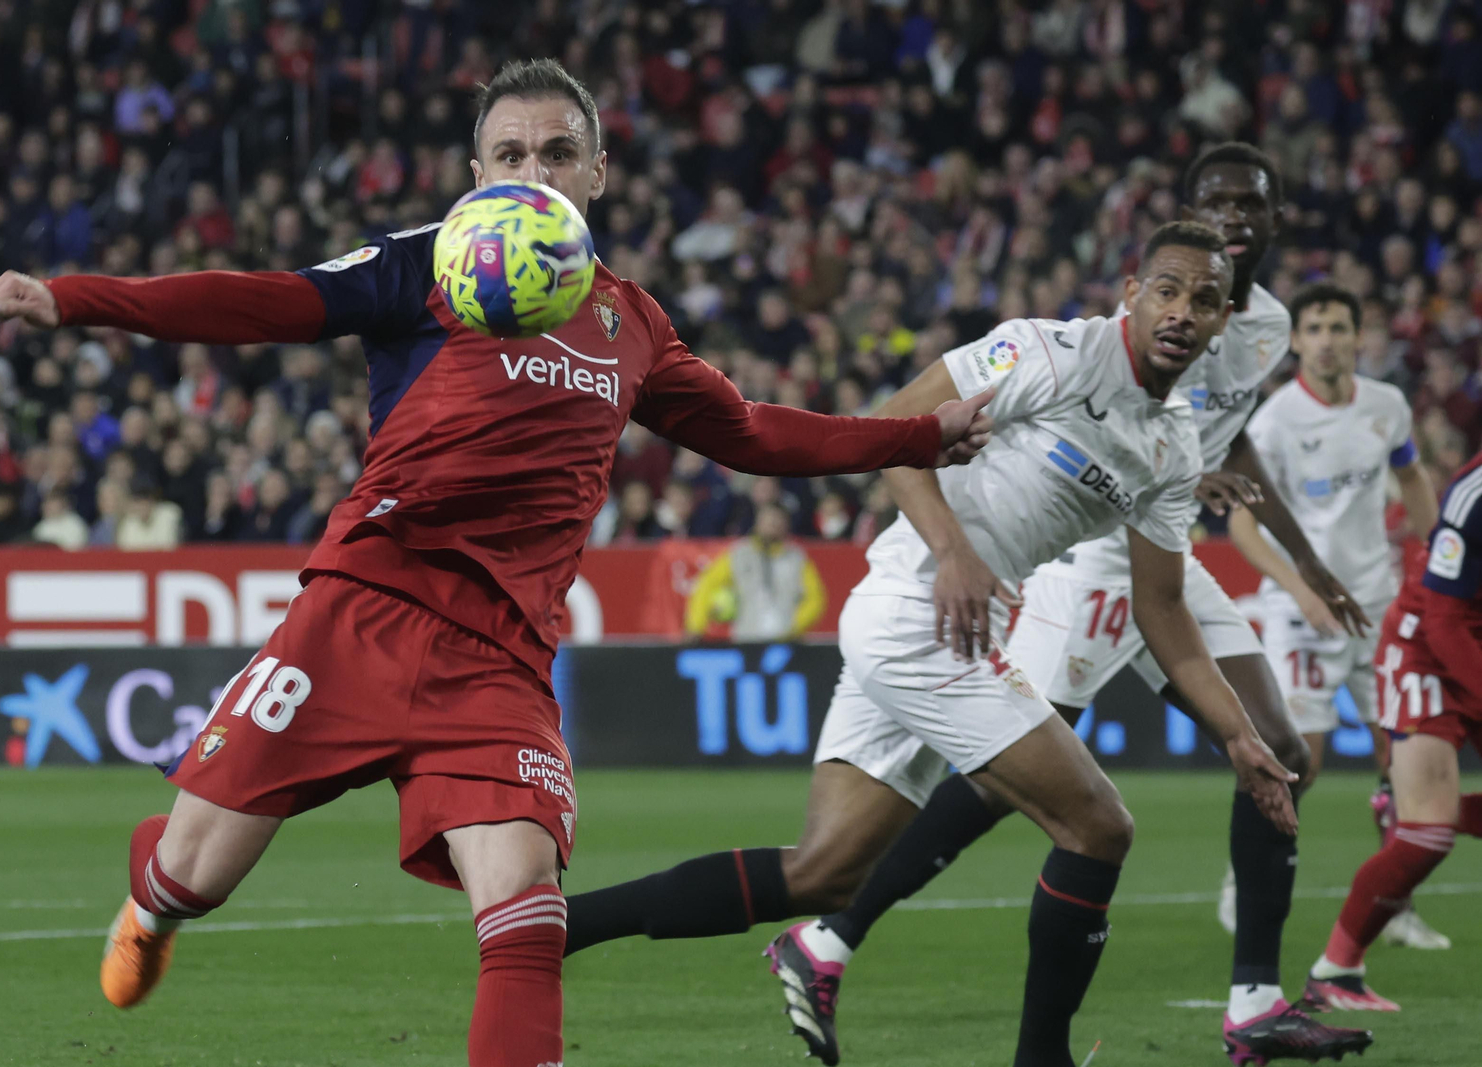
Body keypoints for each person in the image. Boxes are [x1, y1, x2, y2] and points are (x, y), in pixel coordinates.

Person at [0, 58, 993, 1067]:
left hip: (499, 656)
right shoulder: (425, 264)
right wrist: (78, 299)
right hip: (364, 608)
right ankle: (154, 894)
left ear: (597, 173)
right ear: (476, 173)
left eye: (559, 152)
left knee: (524, 903)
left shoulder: (628, 321)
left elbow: (755, 432)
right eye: (511, 153)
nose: (535, 171)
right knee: (198, 869)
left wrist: (912, 435)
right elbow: (269, 303)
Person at [564, 220, 1306, 1067]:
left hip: (950, 622)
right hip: (918, 606)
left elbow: (1165, 609)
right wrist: (954, 550)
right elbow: (894, 425)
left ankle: (561, 928)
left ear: (1223, 323)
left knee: (824, 874)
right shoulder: (1053, 353)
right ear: (1131, 295)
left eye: (1204, 300)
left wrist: (1239, 734)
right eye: (1167, 290)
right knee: (1098, 825)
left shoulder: (1171, 446)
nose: (1182, 310)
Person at [748, 144, 1375, 1067]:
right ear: (1184, 217)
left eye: (1254, 204)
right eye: (1218, 201)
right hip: (1083, 553)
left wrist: (1307, 558)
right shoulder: (1141, 312)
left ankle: (1253, 1004)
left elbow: (1219, 447)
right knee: (1029, 785)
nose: (1236, 216)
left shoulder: (1265, 324)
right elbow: (1110, 421)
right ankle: (829, 934)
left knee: (1277, 749)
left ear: (1276, 223)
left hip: (1162, 549)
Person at [1229, 282, 1446, 950]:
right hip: (1303, 610)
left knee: (1403, 754)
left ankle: (1395, 901)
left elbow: (1409, 476)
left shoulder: (1386, 406)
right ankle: (1245, 882)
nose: (1327, 339)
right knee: (1303, 760)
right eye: (1315, 327)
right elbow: (1242, 524)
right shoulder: (1273, 424)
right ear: (1295, 341)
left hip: (1376, 603)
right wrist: (1301, 591)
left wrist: (1439, 561)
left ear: (1359, 337)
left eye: (1339, 327)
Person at [1303, 450, 1482, 1011]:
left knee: (1431, 820)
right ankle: (1335, 971)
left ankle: (1410, 809)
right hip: (1427, 650)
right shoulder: (1475, 492)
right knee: (1428, 835)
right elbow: (1444, 618)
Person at [684, 501, 827, 641]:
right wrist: (696, 627)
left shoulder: (797, 559)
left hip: (786, 643)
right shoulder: (739, 554)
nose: (772, 525)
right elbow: (706, 585)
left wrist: (793, 627)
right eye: (768, 520)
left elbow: (815, 598)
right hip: (747, 640)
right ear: (757, 522)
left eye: (778, 521)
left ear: (786, 526)